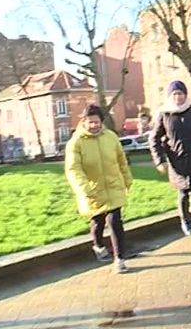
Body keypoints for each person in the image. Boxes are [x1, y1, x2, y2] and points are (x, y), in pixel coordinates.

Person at [65, 105, 133, 274]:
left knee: (115, 221)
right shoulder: (76, 143)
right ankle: (99, 246)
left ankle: (120, 259)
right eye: (90, 122)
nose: (94, 125)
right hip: (92, 190)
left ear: (102, 122)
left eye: (97, 122)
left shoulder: (111, 137)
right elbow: (73, 169)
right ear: (84, 122)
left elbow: (121, 160)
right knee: (98, 222)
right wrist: (84, 188)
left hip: (113, 186)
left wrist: (127, 179)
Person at [150, 80, 191, 239]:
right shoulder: (164, 114)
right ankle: (185, 221)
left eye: (181, 93)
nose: (178, 97)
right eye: (175, 94)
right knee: (183, 194)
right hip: (176, 161)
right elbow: (154, 139)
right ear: (170, 96)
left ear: (185, 95)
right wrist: (160, 160)